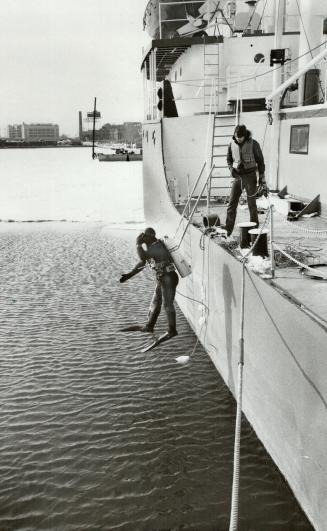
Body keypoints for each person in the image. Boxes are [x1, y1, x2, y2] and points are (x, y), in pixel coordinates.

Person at [119, 227, 178, 338]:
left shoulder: (157, 246)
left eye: (144, 235)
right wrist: (129, 275)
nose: (142, 237)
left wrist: (138, 244)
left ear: (150, 236)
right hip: (163, 278)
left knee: (167, 304)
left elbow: (143, 256)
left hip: (168, 278)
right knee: (156, 302)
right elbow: (142, 263)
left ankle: (172, 330)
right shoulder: (152, 247)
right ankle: (149, 326)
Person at [222, 124, 268, 237]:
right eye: (236, 137)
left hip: (250, 176)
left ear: (245, 135)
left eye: (240, 138)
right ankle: (228, 229)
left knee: (252, 204)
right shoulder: (232, 143)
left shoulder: (254, 144)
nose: (238, 139)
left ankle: (255, 231)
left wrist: (261, 177)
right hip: (238, 176)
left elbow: (261, 161)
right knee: (232, 203)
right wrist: (231, 169)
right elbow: (228, 158)